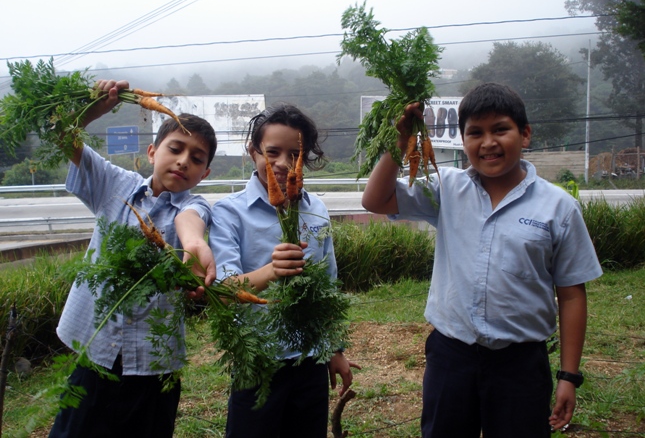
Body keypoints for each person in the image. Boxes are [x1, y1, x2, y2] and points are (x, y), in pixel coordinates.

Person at [361, 82, 602, 438]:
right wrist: (401, 142)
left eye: (500, 129)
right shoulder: (446, 188)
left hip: (520, 364)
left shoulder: (558, 207)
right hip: (450, 358)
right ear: (463, 141)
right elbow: (375, 201)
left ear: (525, 134)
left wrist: (568, 376)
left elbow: (571, 294)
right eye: (475, 132)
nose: (488, 143)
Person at [49, 79, 217, 438]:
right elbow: (64, 134)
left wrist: (194, 245)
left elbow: (191, 224)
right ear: (152, 152)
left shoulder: (194, 205)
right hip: (94, 352)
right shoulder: (115, 184)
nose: (184, 161)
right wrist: (97, 107)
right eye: (176, 148)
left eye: (197, 158)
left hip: (154, 366)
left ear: (205, 174)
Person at [209, 103, 359, 438]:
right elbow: (224, 289)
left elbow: (327, 287)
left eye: (295, 154)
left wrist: (334, 350)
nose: (283, 164)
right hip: (258, 359)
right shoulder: (229, 213)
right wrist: (271, 271)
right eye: (272, 152)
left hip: (310, 361)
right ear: (253, 153)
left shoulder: (315, 208)